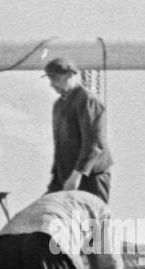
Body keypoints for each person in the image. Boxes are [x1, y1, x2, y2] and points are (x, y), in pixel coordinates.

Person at [45, 57, 112, 202]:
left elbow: (94, 144)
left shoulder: (87, 100)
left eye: (55, 78)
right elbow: (61, 148)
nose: (52, 84)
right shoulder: (58, 105)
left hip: (90, 177)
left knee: (93, 222)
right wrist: (56, 181)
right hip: (67, 177)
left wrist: (77, 176)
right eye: (50, 79)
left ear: (70, 75)